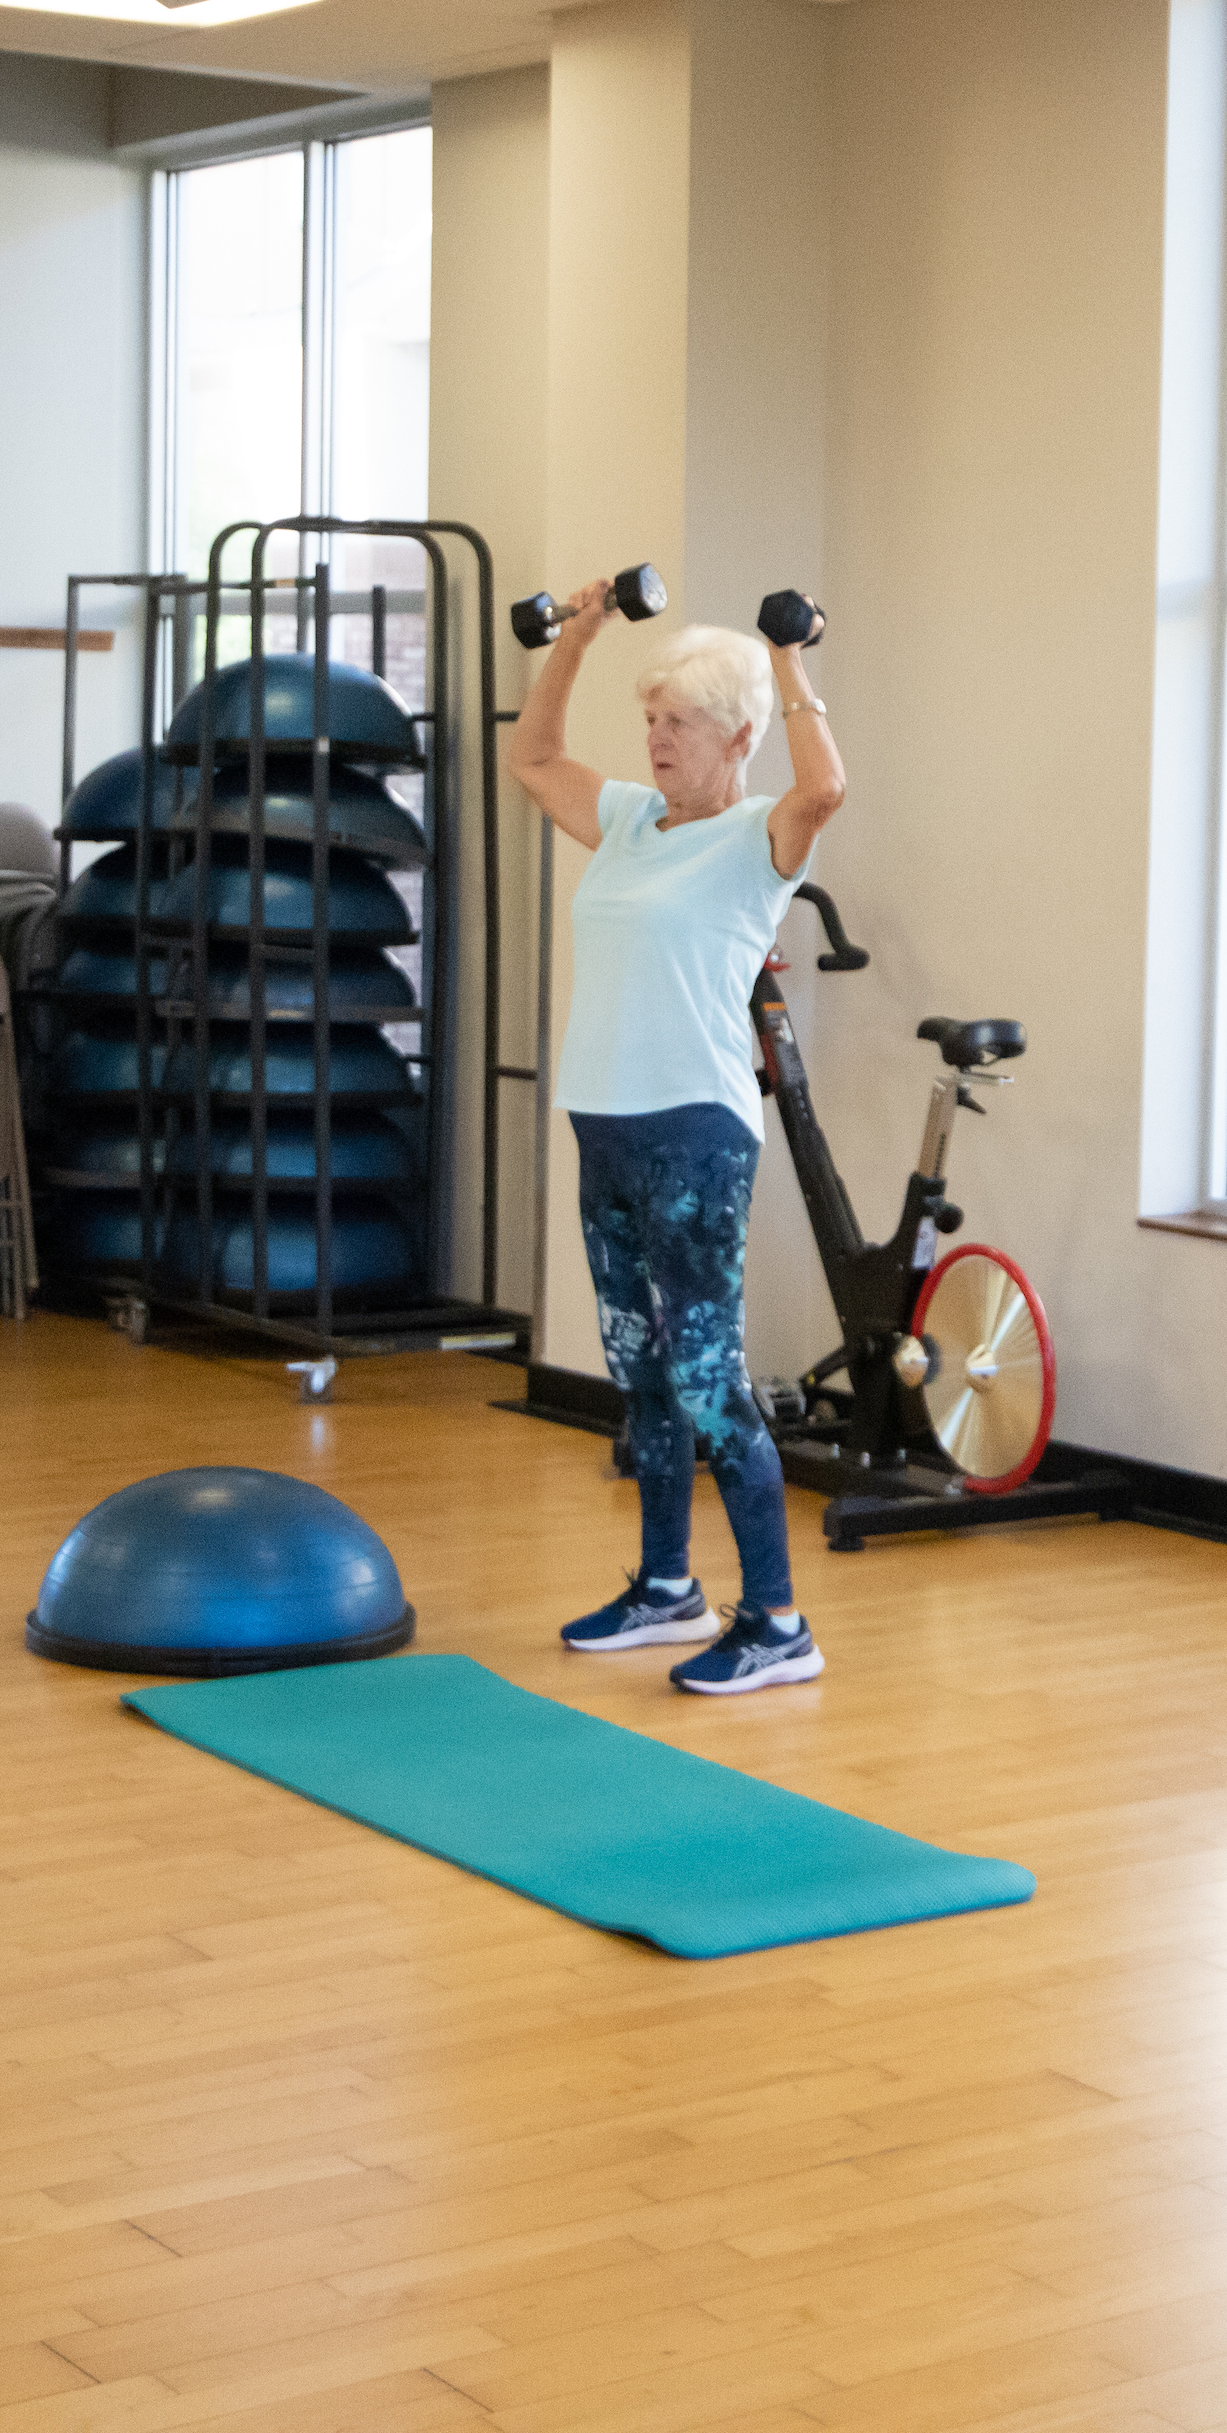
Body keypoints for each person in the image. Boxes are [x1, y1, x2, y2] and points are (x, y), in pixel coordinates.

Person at [509, 582, 847, 1695]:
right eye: (651, 722)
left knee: (707, 1379)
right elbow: (535, 754)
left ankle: (779, 1622)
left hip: (695, 1131)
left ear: (735, 739)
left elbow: (826, 783)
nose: (655, 741)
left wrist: (783, 656)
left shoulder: (762, 837)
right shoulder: (622, 821)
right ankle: (665, 1588)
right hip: (602, 1121)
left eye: (679, 726)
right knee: (638, 1368)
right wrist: (580, 633)